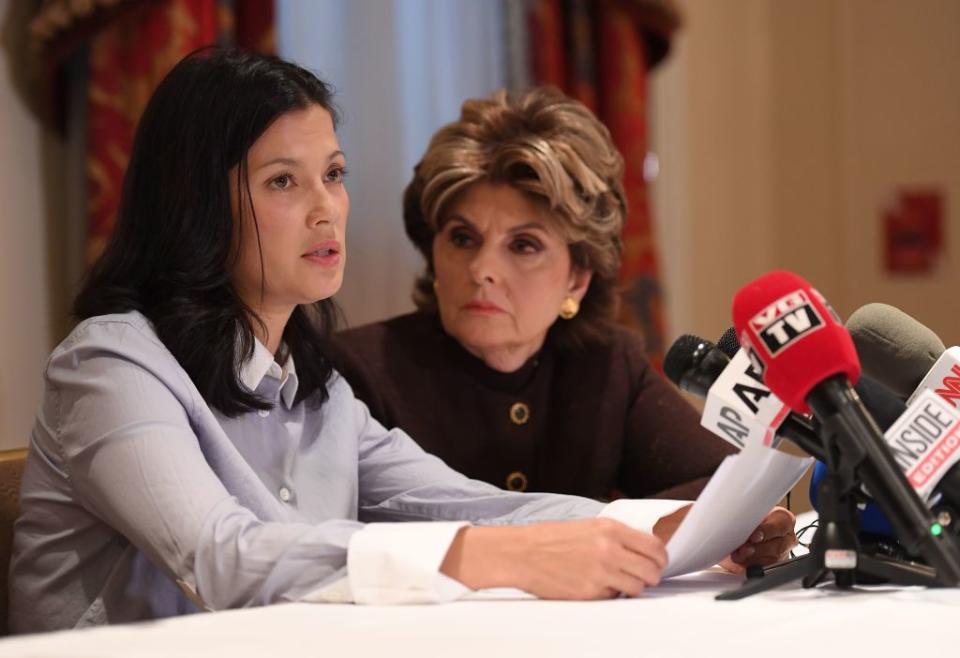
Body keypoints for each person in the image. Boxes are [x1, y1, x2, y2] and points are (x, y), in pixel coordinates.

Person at [10, 49, 794, 634]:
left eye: (336, 173)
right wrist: (500, 560)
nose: (328, 209)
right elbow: (223, 559)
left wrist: (669, 533)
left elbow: (473, 506)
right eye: (284, 181)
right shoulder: (110, 365)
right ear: (196, 206)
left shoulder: (316, 389)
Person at [326, 87, 734, 502]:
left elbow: (725, 489)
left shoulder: (608, 366)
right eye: (463, 238)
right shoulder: (357, 371)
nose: (482, 269)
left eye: (524, 245)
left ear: (577, 278)